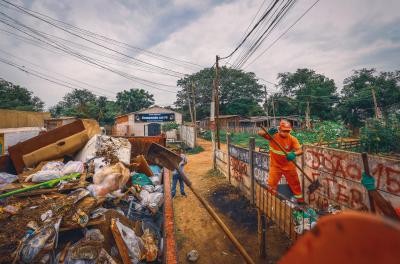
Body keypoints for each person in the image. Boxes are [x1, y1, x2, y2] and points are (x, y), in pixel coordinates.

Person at [257, 120, 304, 203]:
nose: (285, 133)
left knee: (295, 184)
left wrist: (294, 154)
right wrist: (267, 133)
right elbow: (259, 133)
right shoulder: (272, 136)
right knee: (271, 185)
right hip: (275, 166)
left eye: (287, 131)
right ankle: (272, 201)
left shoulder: (292, 139)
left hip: (288, 165)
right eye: (284, 131)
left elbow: (300, 150)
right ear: (280, 129)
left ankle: (300, 201)